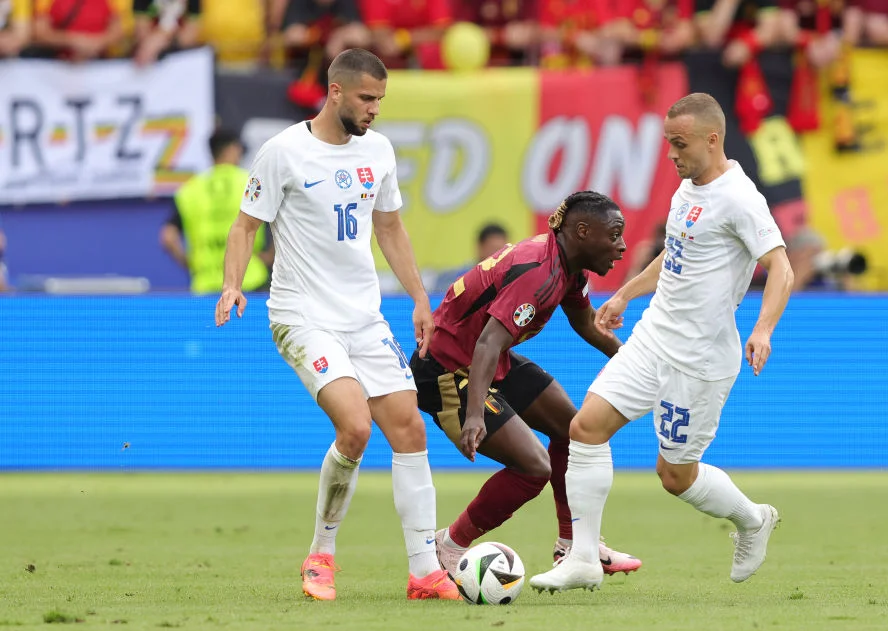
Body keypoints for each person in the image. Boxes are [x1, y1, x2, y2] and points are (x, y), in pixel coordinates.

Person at [215, 49, 459, 602]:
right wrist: (233, 284)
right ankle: (321, 554)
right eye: (367, 98)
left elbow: (390, 228)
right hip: (302, 316)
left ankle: (424, 572)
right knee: (355, 427)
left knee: (410, 429)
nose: (375, 109)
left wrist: (420, 297)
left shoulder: (379, 151)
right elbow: (245, 226)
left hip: (363, 317)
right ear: (335, 92)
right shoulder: (284, 152)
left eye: (380, 100)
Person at [530, 93, 794, 593]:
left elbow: (781, 266)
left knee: (675, 476)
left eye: (680, 144)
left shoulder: (740, 199)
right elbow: (673, 256)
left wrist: (763, 329)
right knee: (585, 428)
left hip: (699, 359)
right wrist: (624, 294)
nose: (672, 154)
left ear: (712, 140)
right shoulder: (686, 189)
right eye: (669, 143)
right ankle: (582, 558)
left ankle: (753, 519)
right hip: (652, 338)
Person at [411, 190, 642, 578]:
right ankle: (447, 546)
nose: (621, 246)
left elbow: (586, 324)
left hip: (486, 359)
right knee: (534, 468)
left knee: (573, 430)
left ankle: (574, 546)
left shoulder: (568, 265)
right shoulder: (538, 272)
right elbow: (487, 343)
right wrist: (474, 415)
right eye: (615, 234)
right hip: (447, 369)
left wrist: (638, 364)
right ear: (583, 231)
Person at [161, 127, 273, 294]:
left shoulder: (190, 189)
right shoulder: (250, 182)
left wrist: (191, 264)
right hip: (249, 279)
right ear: (233, 149)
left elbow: (168, 237)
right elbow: (282, 220)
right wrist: (270, 256)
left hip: (205, 284)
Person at [132, 0, 202, 67]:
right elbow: (141, 34)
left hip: (179, 56)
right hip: (148, 57)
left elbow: (188, 38)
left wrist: (162, 36)